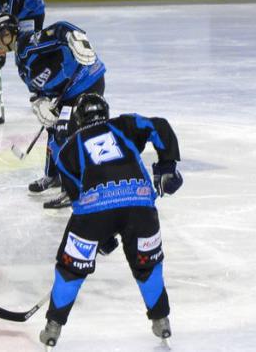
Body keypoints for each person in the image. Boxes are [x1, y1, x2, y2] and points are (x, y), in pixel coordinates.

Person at [38, 93, 183, 348]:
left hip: (94, 213)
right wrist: (167, 166)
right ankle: (161, 320)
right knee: (147, 267)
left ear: (78, 120)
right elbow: (158, 125)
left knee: (71, 269)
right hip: (140, 206)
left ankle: (53, 326)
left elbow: (77, 198)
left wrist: (102, 236)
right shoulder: (123, 125)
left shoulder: (67, 150)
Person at [0, 13, 105, 209]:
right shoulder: (20, 61)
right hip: (67, 93)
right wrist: (41, 102)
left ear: (9, 33)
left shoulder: (28, 43)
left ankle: (73, 189)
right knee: (53, 129)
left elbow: (60, 28)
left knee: (64, 133)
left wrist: (76, 38)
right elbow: (38, 89)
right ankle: (53, 176)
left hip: (86, 81)